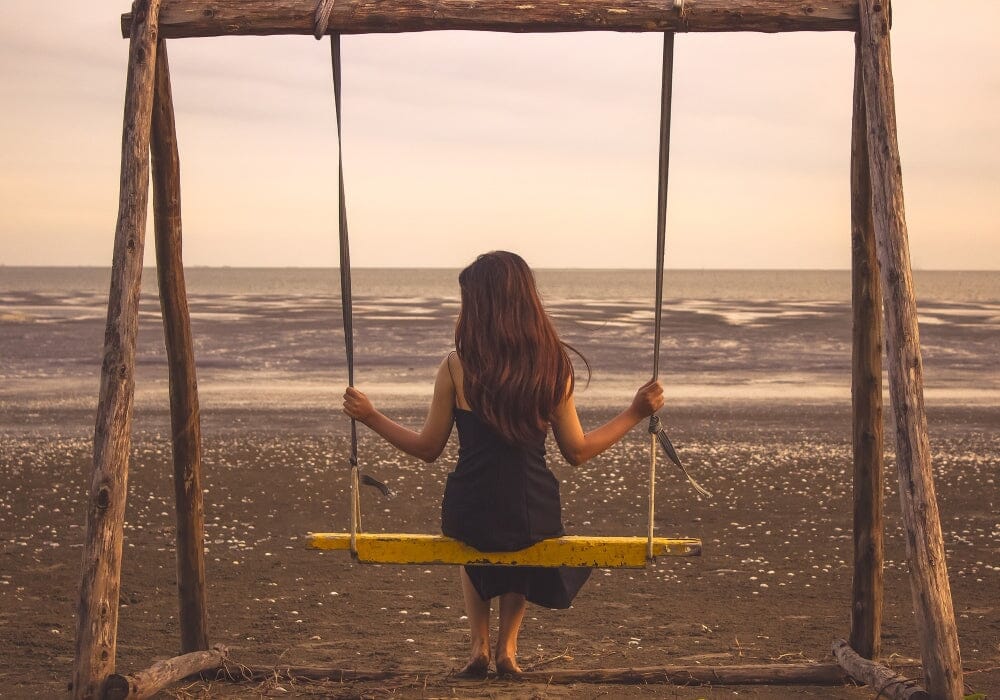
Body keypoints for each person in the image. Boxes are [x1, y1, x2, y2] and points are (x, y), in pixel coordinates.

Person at [342, 251, 664, 677]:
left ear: (480, 305)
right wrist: (636, 412)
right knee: (524, 542)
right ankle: (507, 649)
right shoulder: (552, 367)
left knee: (470, 540)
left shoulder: (456, 367)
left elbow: (427, 448)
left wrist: (369, 416)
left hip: (468, 509)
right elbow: (579, 452)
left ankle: (478, 646)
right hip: (533, 510)